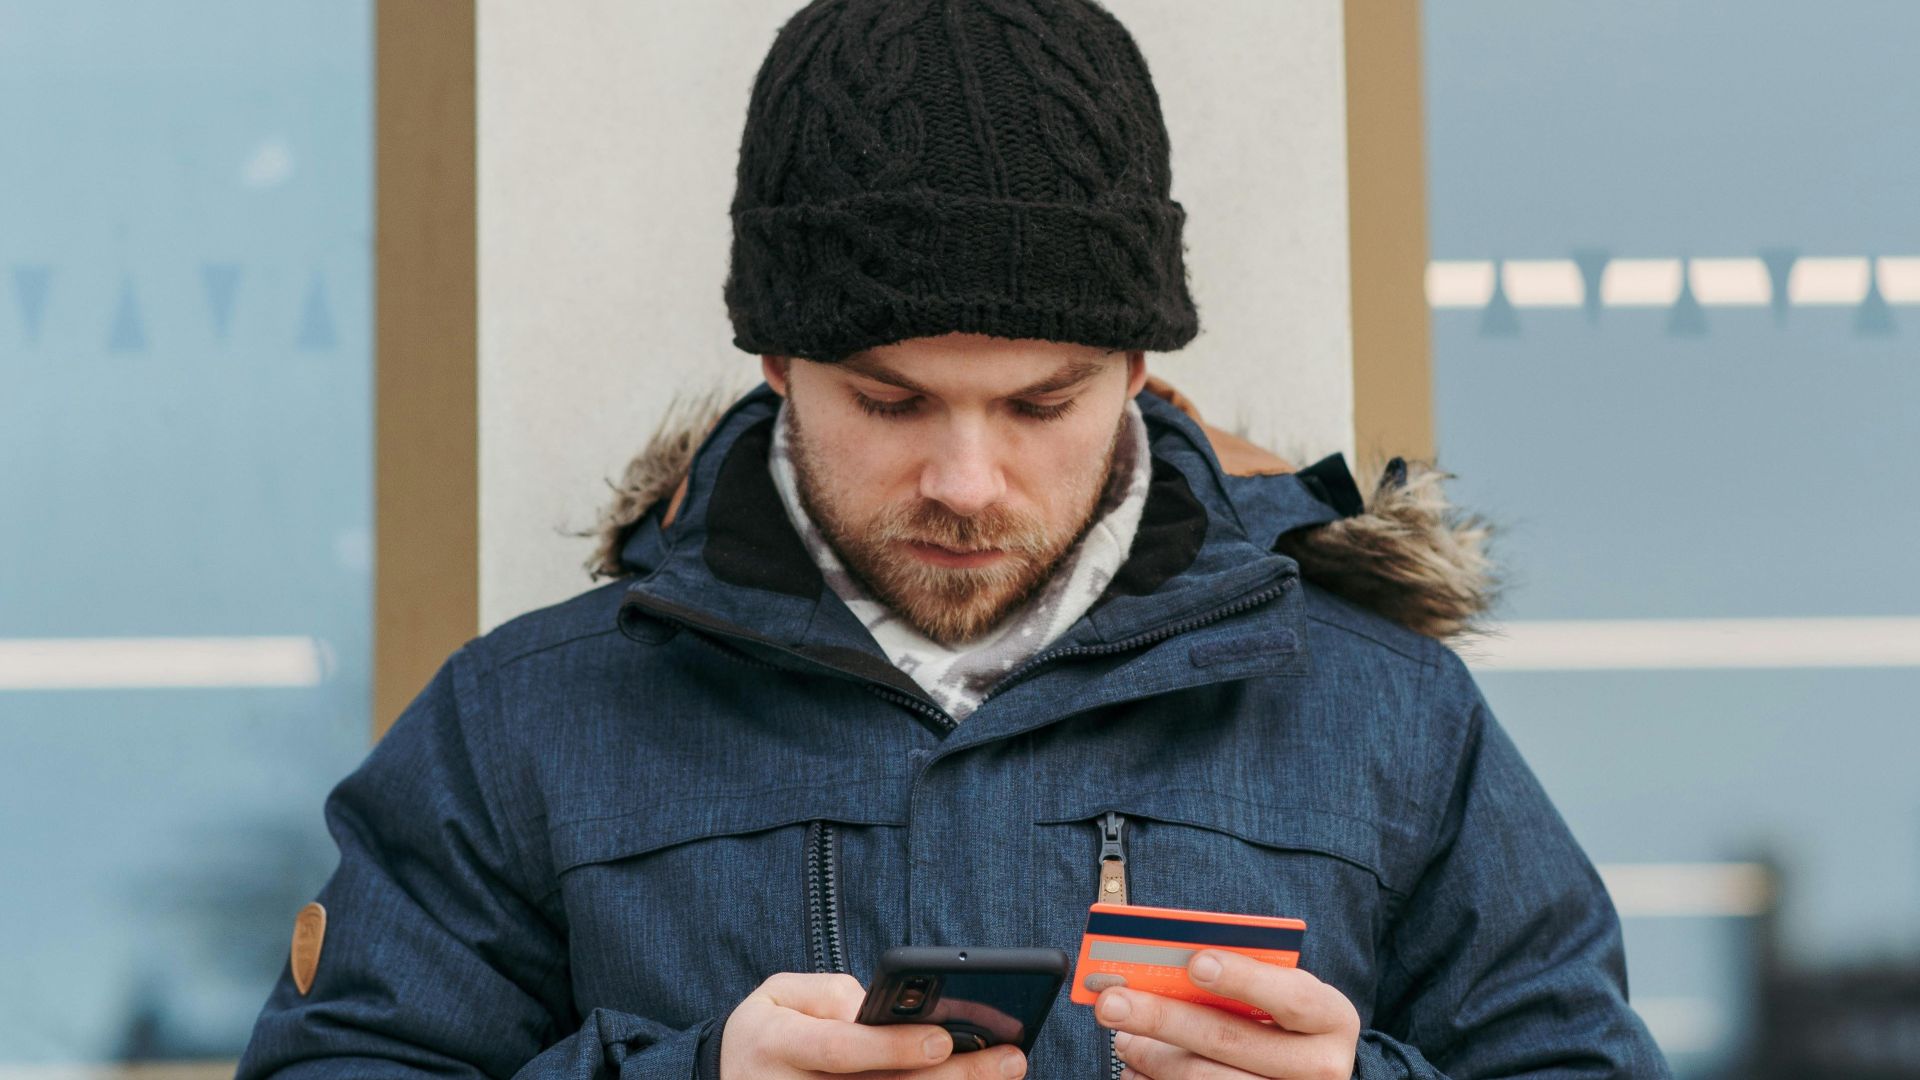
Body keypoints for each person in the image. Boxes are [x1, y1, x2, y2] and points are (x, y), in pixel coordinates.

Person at [236, 1, 1672, 1077]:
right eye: (893, 399)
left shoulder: (1390, 717)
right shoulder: (522, 724)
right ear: (778, 370)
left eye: (1041, 401)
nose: (969, 479)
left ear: (1140, 377)